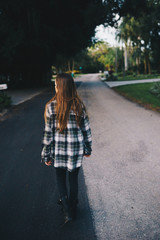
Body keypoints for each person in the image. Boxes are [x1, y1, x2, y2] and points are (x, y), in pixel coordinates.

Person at [41, 73, 92, 224]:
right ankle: (73, 206)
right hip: (75, 151)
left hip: (59, 151)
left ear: (60, 88)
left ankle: (67, 210)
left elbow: (48, 133)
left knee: (60, 178)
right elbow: (86, 131)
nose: (55, 87)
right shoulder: (79, 106)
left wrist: (46, 154)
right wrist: (88, 149)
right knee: (73, 178)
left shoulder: (51, 106)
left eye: (56, 85)